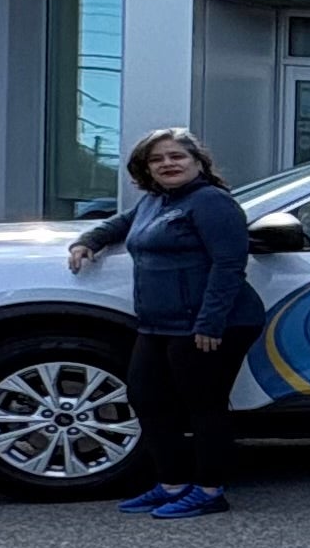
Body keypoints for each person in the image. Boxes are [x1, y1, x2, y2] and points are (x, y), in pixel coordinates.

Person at [65, 125, 265, 522]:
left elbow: (229, 266)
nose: (167, 164)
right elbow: (119, 225)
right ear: (146, 169)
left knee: (202, 407)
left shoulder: (211, 202)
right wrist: (86, 241)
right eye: (157, 159)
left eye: (177, 156)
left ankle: (209, 491)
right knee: (147, 399)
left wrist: (210, 324)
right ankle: (171, 484)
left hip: (210, 324)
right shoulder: (156, 202)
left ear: (197, 162)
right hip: (159, 324)